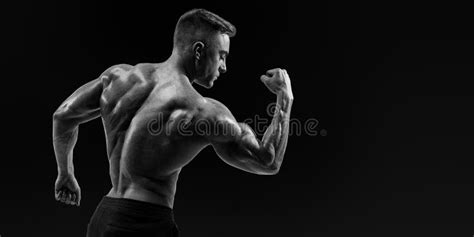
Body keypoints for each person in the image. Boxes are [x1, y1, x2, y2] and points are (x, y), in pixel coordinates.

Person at [52, 8, 294, 237]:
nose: (224, 66)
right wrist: (284, 97)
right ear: (198, 51)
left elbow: (63, 115)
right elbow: (267, 161)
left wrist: (66, 173)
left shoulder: (119, 77)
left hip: (104, 216)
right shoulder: (203, 111)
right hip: (146, 224)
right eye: (221, 56)